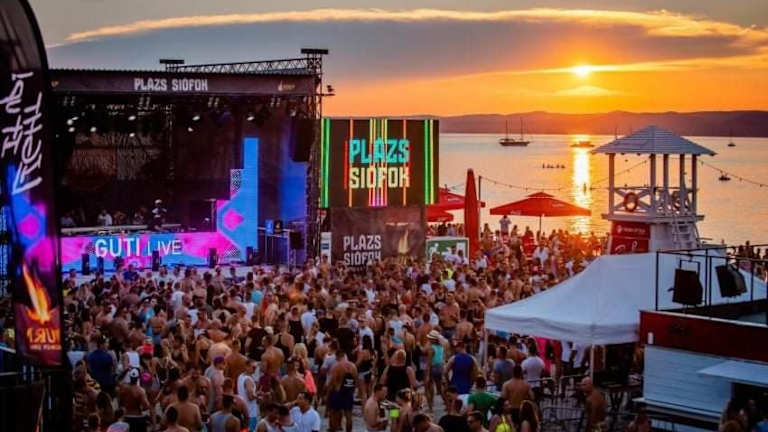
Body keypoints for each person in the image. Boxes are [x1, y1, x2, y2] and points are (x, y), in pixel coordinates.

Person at [327, 349, 358, 432]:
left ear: (337, 357)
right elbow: (356, 381)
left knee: (335, 414)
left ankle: (334, 429)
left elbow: (332, 382)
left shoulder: (336, 366)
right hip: (349, 392)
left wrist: (327, 393)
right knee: (349, 416)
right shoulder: (353, 366)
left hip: (338, 392)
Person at [236, 360, 260, 432]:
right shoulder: (248, 380)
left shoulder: (240, 376)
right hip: (251, 413)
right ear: (247, 366)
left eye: (256, 368)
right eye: (253, 367)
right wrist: (258, 395)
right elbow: (250, 397)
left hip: (243, 412)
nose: (255, 370)